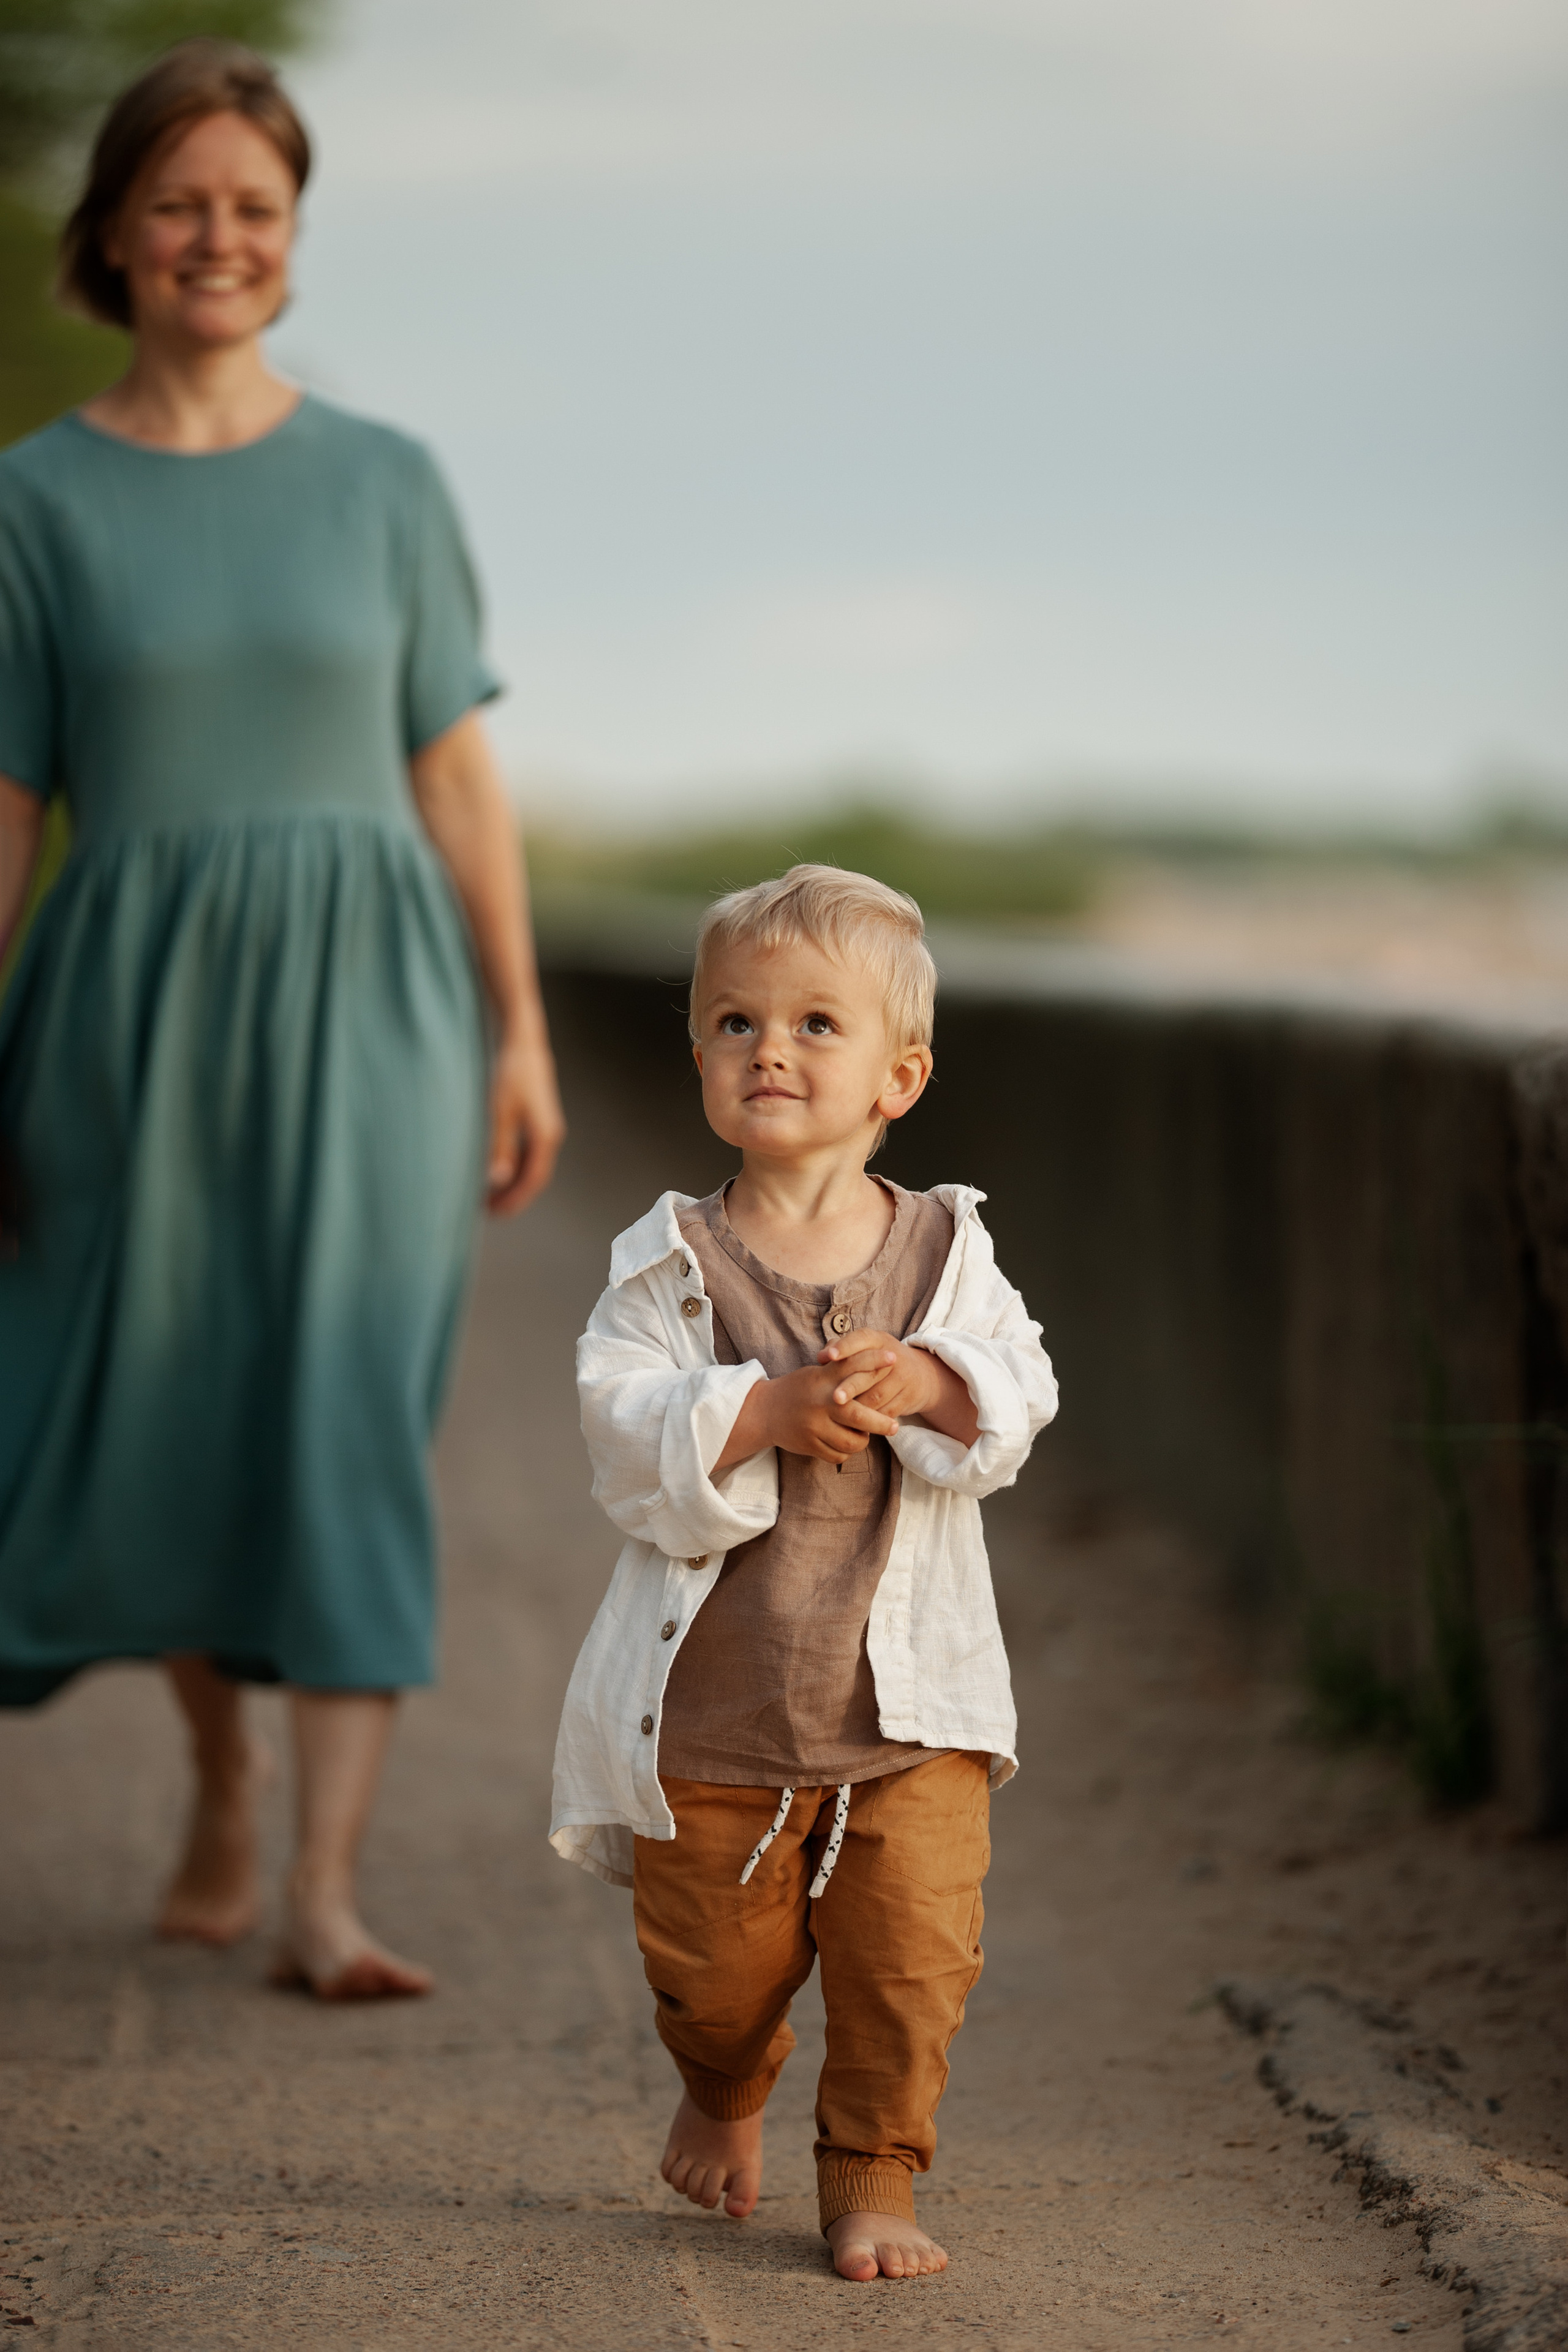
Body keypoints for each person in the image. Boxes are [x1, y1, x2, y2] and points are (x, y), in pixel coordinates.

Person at [0, 40, 564, 1999]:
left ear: (295, 238)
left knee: (345, 1410)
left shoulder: (388, 479)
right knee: (175, 1408)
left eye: (255, 205)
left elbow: (458, 776)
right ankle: (219, 1768)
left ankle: (325, 1890)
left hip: (381, 1011)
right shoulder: (31, 501)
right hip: (126, 1013)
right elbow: (6, 810)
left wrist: (518, 1029)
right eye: (178, 203)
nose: (218, 237)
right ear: (114, 235)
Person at [549, 865, 1057, 2280]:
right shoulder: (669, 1265)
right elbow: (617, 1428)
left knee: (913, 1962)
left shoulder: (946, 1251)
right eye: (734, 1022)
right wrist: (759, 1411)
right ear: (699, 1055)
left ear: (899, 1076)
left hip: (909, 1718)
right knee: (710, 1973)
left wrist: (932, 1379)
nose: (767, 1049)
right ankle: (723, 2080)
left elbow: (1018, 1388)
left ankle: (873, 2172)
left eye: (814, 1024)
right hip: (713, 1719)